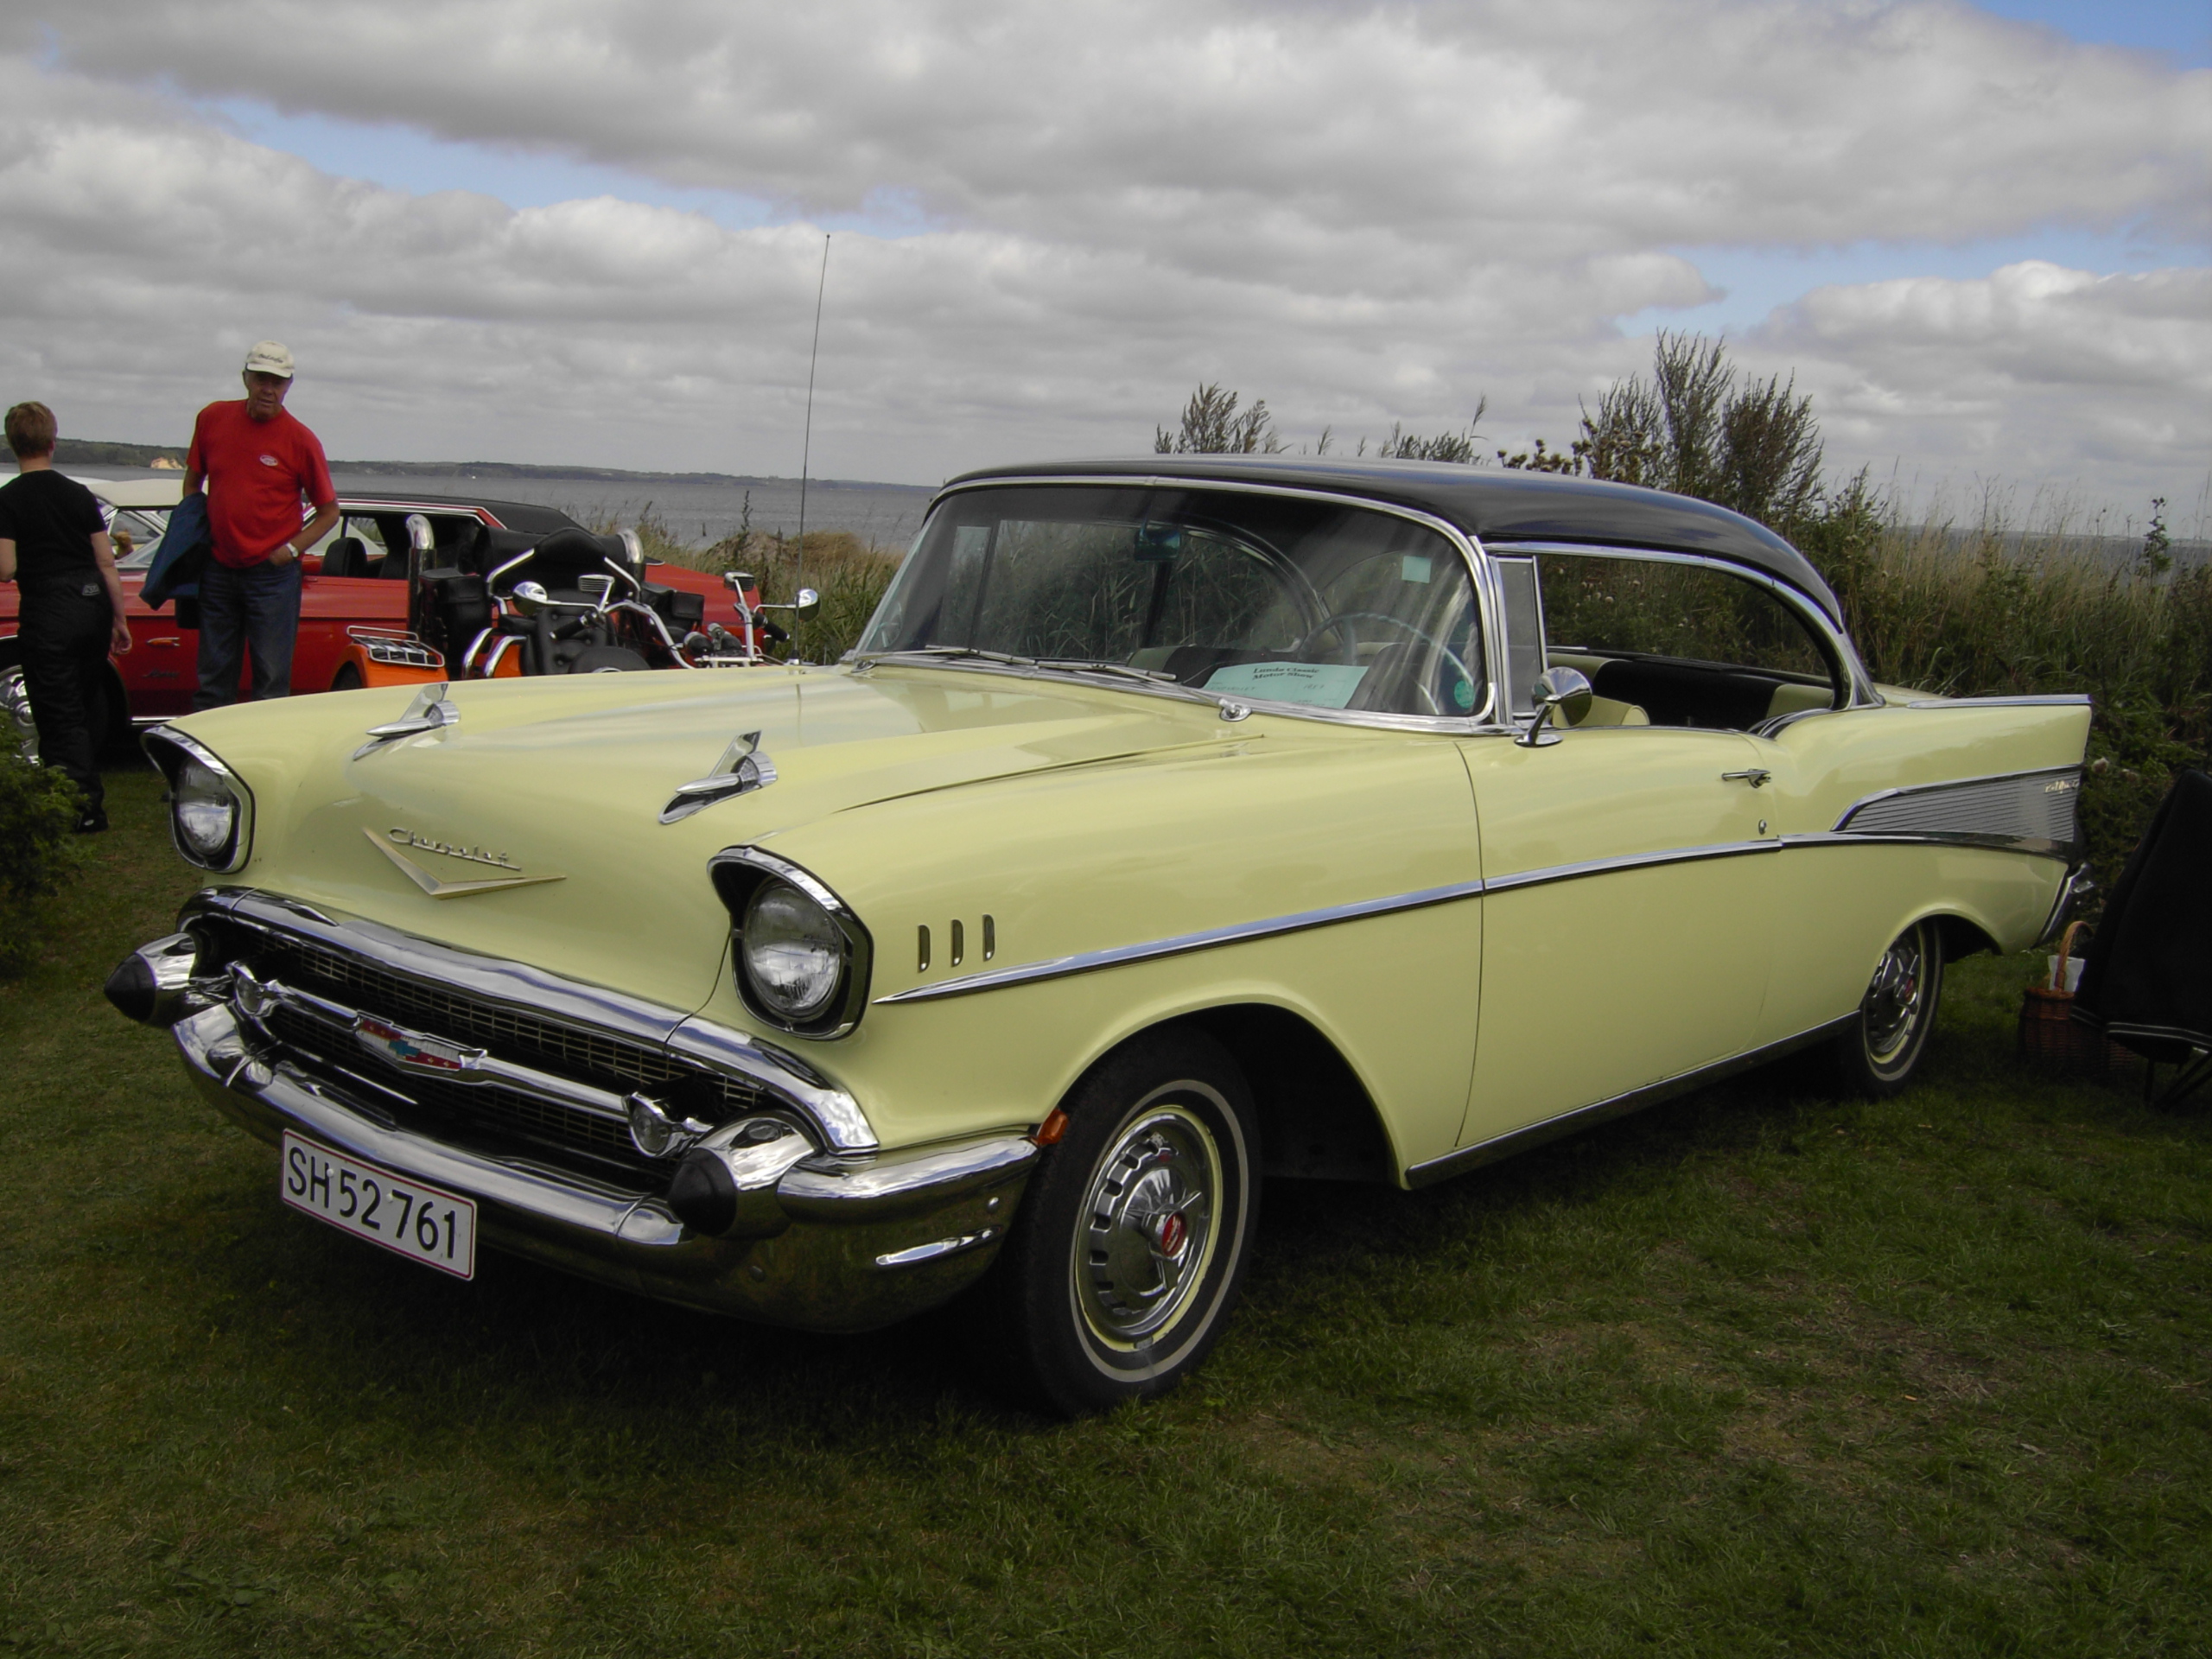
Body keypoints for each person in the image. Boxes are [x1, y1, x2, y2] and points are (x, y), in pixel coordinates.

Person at [0, 401, 133, 831]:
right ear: (53, 442)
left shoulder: (9, 499)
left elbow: (6, 568)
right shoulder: (78, 494)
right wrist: (119, 619)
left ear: (12, 445)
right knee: (82, 702)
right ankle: (73, 794)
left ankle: (83, 807)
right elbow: (106, 561)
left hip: (49, 607)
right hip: (92, 602)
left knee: (57, 712)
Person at [184, 340, 339, 709]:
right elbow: (192, 483)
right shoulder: (212, 418)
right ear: (246, 379)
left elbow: (329, 512)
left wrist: (290, 550)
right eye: (261, 379)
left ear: (288, 386)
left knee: (270, 681)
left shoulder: (301, 440)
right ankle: (210, 744)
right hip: (218, 568)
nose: (268, 389)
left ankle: (263, 746)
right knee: (212, 677)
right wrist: (194, 531)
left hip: (272, 577)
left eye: (277, 382)